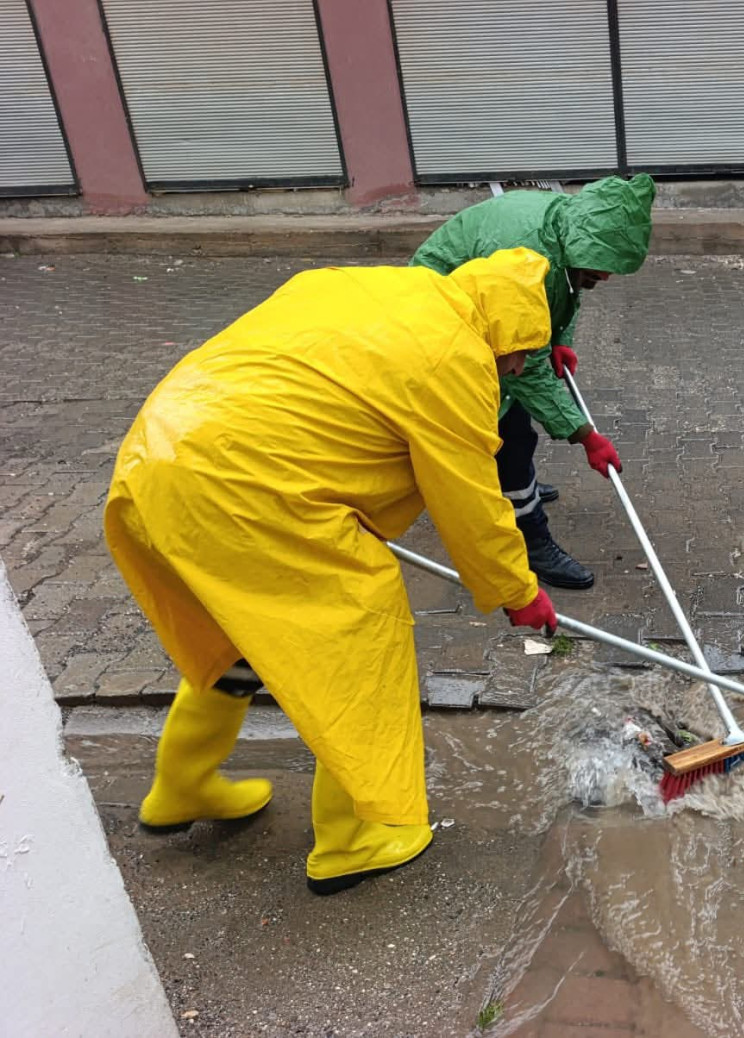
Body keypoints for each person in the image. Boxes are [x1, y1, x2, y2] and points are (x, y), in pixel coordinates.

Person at [104, 248, 559, 896]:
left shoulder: (377, 291)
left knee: (241, 633)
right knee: (358, 639)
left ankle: (182, 783)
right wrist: (519, 592)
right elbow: (470, 497)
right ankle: (355, 837)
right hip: (247, 485)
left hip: (161, 457)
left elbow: (327, 393)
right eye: (519, 352)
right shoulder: (452, 355)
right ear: (504, 329)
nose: (516, 367)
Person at [411, 173, 656, 590]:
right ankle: (531, 539)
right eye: (603, 264)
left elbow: (567, 289)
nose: (608, 276)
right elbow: (529, 372)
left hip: (484, 307)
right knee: (507, 432)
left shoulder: (564, 229)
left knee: (515, 417)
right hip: (438, 315)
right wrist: (584, 435)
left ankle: (516, 485)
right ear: (583, 241)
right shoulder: (524, 251)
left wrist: (560, 339)